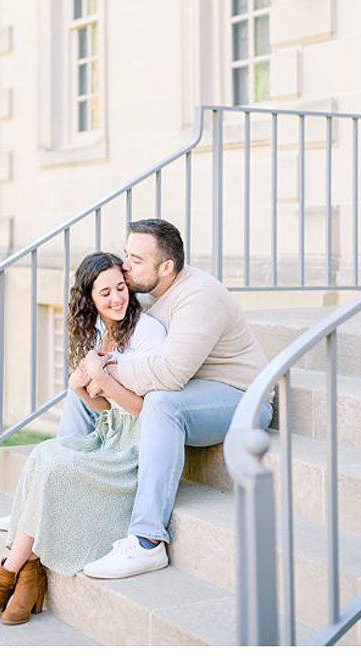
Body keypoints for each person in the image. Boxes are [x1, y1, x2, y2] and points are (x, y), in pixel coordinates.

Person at [0, 253, 168, 625]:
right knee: (45, 454)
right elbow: (107, 408)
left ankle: (8, 574)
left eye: (120, 288)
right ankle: (25, 574)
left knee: (56, 466)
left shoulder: (148, 332)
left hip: (136, 448)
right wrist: (83, 390)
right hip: (111, 436)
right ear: (90, 299)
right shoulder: (105, 333)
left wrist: (101, 380)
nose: (116, 299)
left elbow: (149, 412)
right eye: (104, 293)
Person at [62, 218, 263, 582]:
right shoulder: (153, 294)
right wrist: (94, 377)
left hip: (240, 397)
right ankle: (57, 481)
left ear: (166, 267)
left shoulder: (199, 295)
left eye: (136, 259)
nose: (125, 266)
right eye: (126, 255)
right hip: (194, 390)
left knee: (161, 405)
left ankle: (147, 540)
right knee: (77, 391)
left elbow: (169, 376)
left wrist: (105, 371)